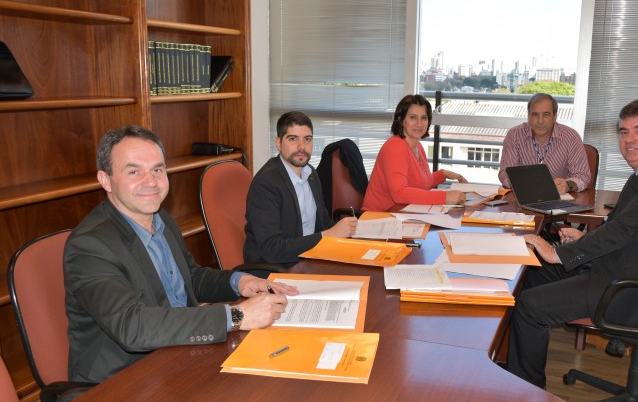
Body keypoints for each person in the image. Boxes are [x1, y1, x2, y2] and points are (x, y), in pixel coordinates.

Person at [64, 125, 294, 384]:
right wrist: (237, 316)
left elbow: (190, 278)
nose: (150, 181)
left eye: (157, 169)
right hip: (123, 381)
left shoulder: (161, 219)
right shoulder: (90, 247)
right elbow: (133, 326)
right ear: (105, 180)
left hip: (178, 354)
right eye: (133, 171)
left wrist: (239, 281)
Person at [506, 99, 638, 389]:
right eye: (624, 132)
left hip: (637, 288)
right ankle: (515, 369)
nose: (629, 140)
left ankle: (524, 391)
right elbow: (630, 227)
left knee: (529, 306)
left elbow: (623, 230)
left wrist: (559, 254)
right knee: (530, 275)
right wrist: (584, 239)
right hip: (619, 268)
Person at [243, 111, 358, 267]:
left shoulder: (310, 173)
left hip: (310, 258)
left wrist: (350, 233)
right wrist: (328, 235)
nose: (301, 147)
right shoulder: (266, 184)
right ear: (278, 143)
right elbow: (272, 249)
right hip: (277, 269)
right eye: (293, 139)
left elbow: (323, 223)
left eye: (307, 139)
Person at [362, 94, 468, 211]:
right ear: (401, 120)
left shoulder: (417, 146)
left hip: (401, 214)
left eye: (424, 118)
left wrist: (443, 174)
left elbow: (422, 184)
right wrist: (444, 197)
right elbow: (399, 194)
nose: (419, 123)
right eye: (413, 117)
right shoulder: (395, 147)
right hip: (378, 219)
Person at [498, 93, 591, 194]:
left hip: (560, 198)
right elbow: (505, 174)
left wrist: (568, 185)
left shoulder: (571, 137)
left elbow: (583, 176)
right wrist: (522, 184)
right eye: (535, 115)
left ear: (555, 116)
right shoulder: (514, 135)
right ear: (528, 116)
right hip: (524, 196)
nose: (540, 121)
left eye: (546, 115)